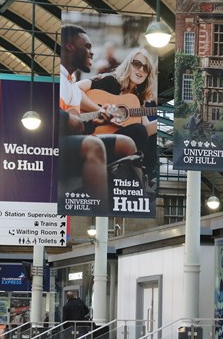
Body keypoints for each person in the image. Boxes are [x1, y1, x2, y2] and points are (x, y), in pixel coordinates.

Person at [58, 24, 137, 204]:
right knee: (93, 145)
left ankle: (131, 200)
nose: (91, 52)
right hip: (51, 145)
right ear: (69, 47)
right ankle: (98, 207)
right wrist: (66, 118)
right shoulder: (57, 79)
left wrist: (95, 121)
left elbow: (77, 123)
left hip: (67, 140)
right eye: (86, 46)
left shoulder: (72, 84)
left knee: (127, 143)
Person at [76, 46, 159, 191]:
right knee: (139, 130)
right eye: (137, 64)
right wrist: (101, 110)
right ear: (128, 64)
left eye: (145, 68)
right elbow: (75, 89)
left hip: (120, 139)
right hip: (95, 136)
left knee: (148, 133)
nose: (140, 70)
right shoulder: (110, 81)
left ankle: (146, 176)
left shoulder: (136, 98)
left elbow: (146, 129)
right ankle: (136, 175)